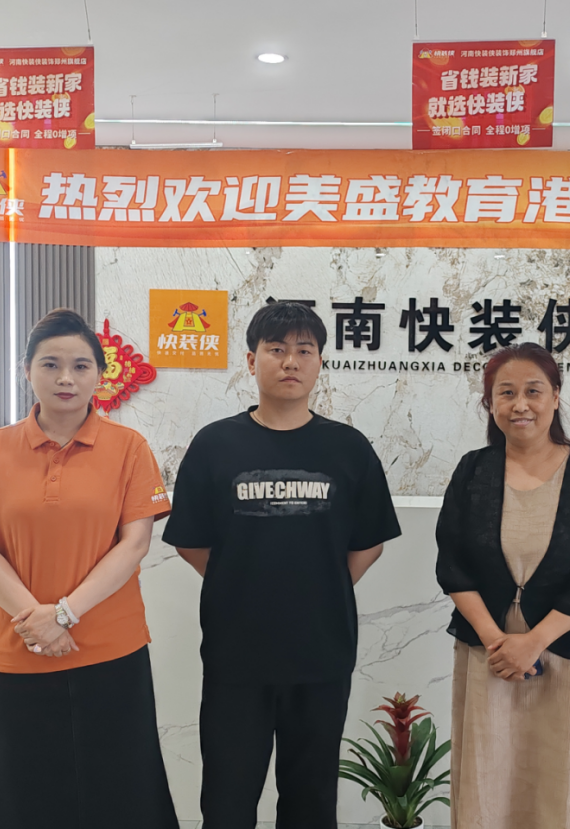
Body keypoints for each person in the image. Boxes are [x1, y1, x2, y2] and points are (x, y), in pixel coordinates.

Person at [162, 300, 401, 829]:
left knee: (311, 799)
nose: (290, 361)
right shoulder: (215, 444)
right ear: (251, 361)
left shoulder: (348, 448)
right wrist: (243, 582)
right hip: (235, 654)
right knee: (227, 799)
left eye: (304, 350)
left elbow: (369, 542)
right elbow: (190, 541)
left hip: (321, 652)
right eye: (276, 350)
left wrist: (318, 586)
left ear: (320, 362)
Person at [0, 308, 178, 829]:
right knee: (23, 789)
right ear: (26, 370)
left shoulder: (129, 448)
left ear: (100, 374)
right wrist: (38, 621)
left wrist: (63, 615)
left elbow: (134, 544)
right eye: (50, 364)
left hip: (110, 647)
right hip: (20, 646)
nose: (65, 378)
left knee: (120, 787)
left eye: (80, 366)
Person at [434, 342, 570, 829]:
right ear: (490, 403)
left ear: (555, 397)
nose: (520, 404)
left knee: (569, 785)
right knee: (492, 783)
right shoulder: (473, 470)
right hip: (491, 659)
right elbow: (452, 564)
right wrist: (499, 644)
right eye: (506, 393)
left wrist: (534, 642)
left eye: (533, 391)